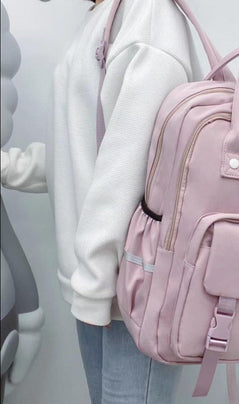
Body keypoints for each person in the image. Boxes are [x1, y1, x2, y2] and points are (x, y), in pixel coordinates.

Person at [1, 0, 202, 402]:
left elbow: (127, 167)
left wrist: (94, 288)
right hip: (107, 285)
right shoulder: (104, 15)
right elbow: (83, 152)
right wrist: (10, 166)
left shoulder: (148, 16)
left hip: (132, 289)